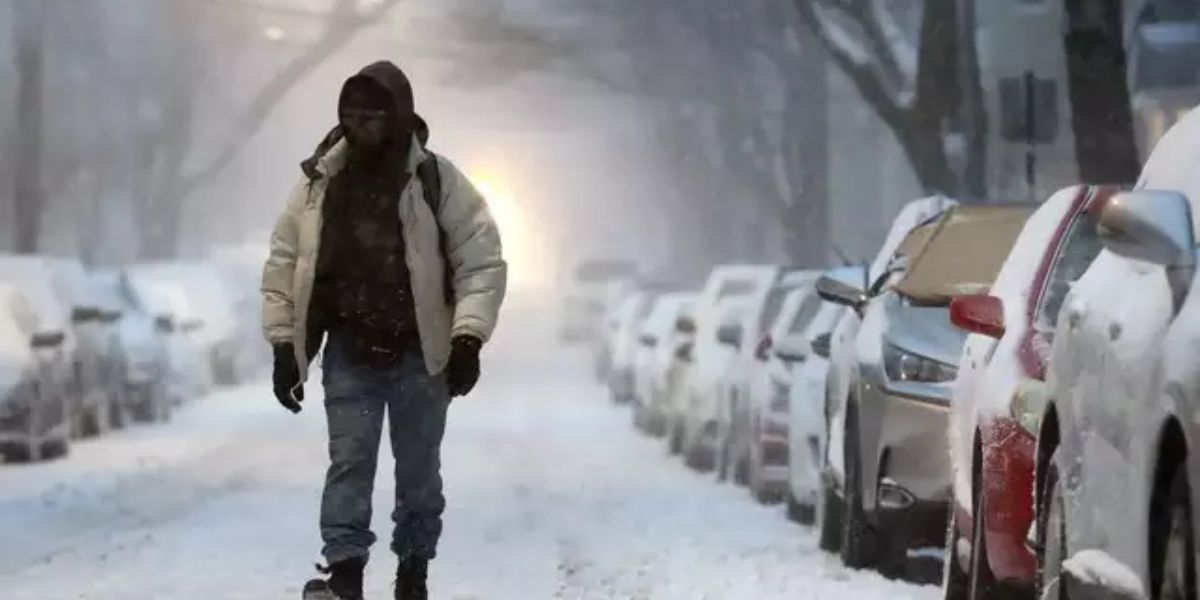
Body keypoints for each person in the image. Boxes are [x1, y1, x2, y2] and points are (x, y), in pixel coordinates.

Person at [261, 60, 507, 600]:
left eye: (372, 115)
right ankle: (344, 574)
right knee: (349, 462)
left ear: (398, 116)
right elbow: (284, 266)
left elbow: (481, 260)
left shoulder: (435, 180)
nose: (359, 125)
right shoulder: (318, 185)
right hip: (349, 349)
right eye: (350, 114)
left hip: (421, 353)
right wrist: (286, 345)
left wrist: (468, 338)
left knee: (418, 472)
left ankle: (413, 571)